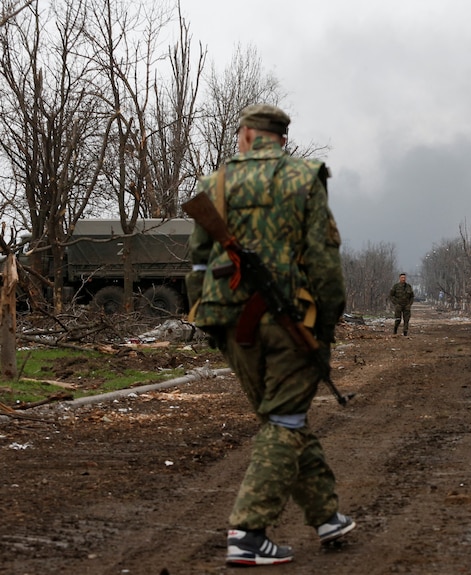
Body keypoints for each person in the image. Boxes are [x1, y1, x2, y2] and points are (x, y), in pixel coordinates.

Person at [185, 104, 355, 567]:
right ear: (282, 139)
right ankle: (249, 532)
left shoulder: (215, 183)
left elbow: (199, 262)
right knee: (285, 420)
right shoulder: (305, 178)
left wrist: (207, 318)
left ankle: (326, 516)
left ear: (245, 136)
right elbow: (323, 262)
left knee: (280, 417)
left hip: (229, 323)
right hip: (287, 321)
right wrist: (324, 325)